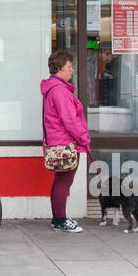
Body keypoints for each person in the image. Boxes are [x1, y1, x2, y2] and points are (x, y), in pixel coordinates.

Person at [41, 47, 91, 232]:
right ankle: (61, 220)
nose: (72, 70)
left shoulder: (53, 89)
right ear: (60, 69)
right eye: (70, 66)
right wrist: (84, 138)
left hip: (58, 142)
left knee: (60, 182)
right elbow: (70, 120)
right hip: (66, 144)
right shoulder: (60, 91)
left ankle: (58, 218)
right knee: (64, 182)